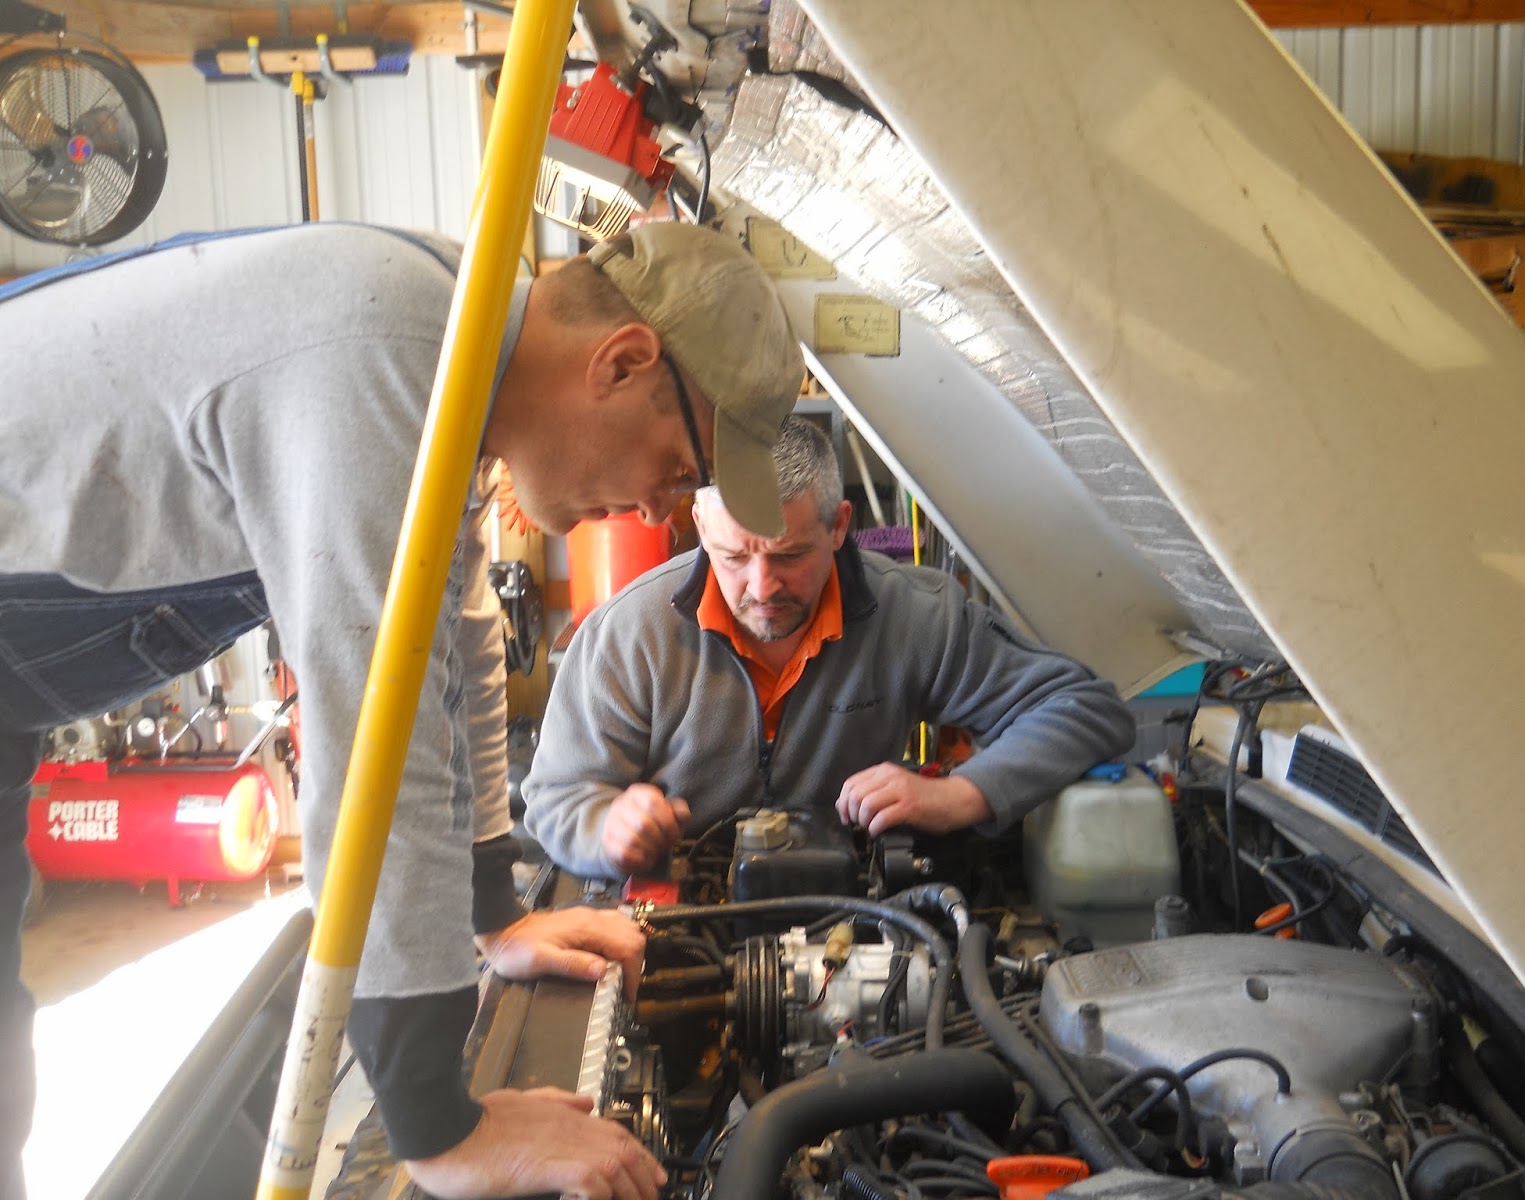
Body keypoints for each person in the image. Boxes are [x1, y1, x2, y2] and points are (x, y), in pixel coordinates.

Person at [0, 219, 802, 1200]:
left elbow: (458, 635)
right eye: (678, 468)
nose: (653, 512)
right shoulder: (382, 346)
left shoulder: (455, 351)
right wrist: (436, 1123)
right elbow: (380, 722)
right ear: (623, 363)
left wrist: (496, 913)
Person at [527, 416, 1137, 880]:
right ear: (701, 527)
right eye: (734, 556)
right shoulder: (630, 635)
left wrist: (959, 795)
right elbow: (557, 799)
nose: (762, 587)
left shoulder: (914, 616)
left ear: (840, 525)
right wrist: (606, 830)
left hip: (847, 928)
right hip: (678, 925)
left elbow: (1086, 708)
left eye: (790, 555)